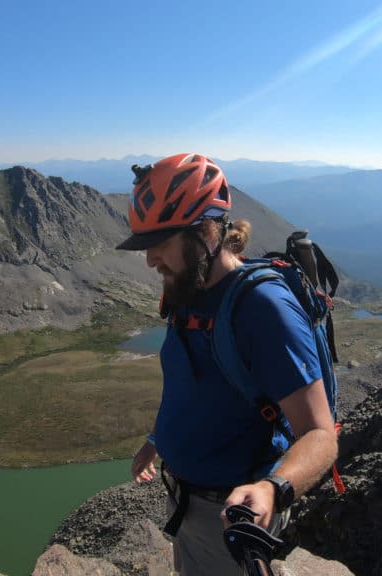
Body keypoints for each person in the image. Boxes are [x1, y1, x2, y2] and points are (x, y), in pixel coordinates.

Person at [116, 153, 338, 575]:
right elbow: (193, 384)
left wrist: (272, 490)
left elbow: (321, 435)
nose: (149, 260)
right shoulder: (188, 289)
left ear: (204, 232)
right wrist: (157, 439)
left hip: (231, 517)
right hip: (187, 501)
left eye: (161, 243)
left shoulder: (262, 309)